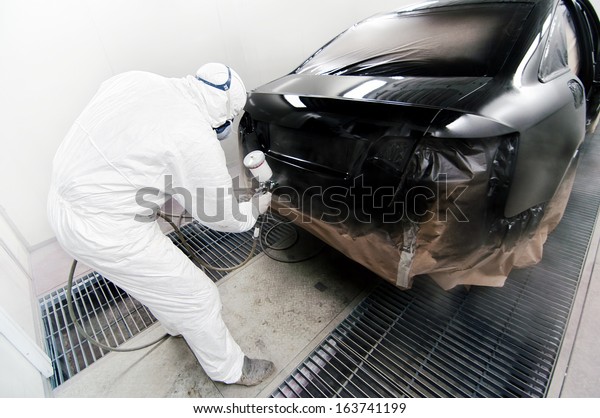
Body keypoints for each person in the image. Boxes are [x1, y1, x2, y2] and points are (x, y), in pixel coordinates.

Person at [47, 63, 274, 386]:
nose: (226, 127)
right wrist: (252, 209)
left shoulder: (137, 79)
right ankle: (231, 370)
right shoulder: (192, 135)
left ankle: (176, 322)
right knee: (198, 296)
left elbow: (131, 146)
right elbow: (220, 215)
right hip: (106, 228)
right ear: (224, 110)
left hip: (63, 203)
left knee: (158, 279)